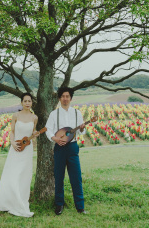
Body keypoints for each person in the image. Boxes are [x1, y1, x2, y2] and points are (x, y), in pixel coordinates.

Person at [0, 93, 39, 217]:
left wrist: (35, 134)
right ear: (21, 102)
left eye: (29, 101)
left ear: (31, 103)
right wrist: (12, 142)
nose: (27, 103)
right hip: (16, 148)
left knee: (24, 176)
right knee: (13, 174)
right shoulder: (16, 116)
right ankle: (10, 201)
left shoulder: (35, 117)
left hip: (27, 150)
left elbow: (33, 132)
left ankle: (21, 201)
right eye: (25, 101)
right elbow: (12, 131)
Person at [45, 87, 86, 215]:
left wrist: (83, 128)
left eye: (67, 96)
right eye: (62, 96)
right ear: (59, 98)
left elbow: (81, 131)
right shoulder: (54, 114)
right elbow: (48, 129)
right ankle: (59, 205)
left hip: (73, 147)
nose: (65, 98)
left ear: (71, 98)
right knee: (59, 177)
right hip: (59, 148)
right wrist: (55, 139)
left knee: (76, 178)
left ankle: (80, 207)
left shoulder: (77, 113)